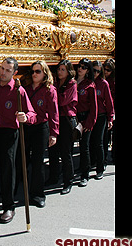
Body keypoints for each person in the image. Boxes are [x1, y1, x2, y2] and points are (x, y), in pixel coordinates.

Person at [0, 57, 36, 224]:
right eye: (2, 69)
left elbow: (32, 113)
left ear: (14, 72)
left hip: (9, 133)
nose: (3, 72)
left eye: (7, 70)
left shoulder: (18, 91)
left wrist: (25, 117)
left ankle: (8, 206)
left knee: (7, 169)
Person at [21, 60, 59, 207]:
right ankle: (21, 190)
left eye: (38, 71)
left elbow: (54, 112)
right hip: (26, 126)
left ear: (44, 73)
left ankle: (37, 194)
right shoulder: (26, 88)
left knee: (38, 162)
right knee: (22, 159)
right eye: (33, 71)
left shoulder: (50, 90)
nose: (34, 74)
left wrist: (54, 133)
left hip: (40, 127)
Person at [46, 60, 78, 194]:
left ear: (69, 71)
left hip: (66, 119)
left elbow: (63, 100)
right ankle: (53, 176)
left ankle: (68, 181)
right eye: (59, 69)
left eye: (63, 69)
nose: (60, 72)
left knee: (66, 152)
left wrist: (52, 94)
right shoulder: (56, 83)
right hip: (55, 117)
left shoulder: (72, 84)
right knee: (52, 150)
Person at [75, 59, 98, 187]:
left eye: (84, 67)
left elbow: (94, 107)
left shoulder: (90, 85)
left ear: (88, 70)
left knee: (84, 147)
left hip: (85, 118)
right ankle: (80, 168)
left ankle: (85, 174)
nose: (80, 69)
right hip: (74, 119)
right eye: (79, 66)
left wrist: (89, 124)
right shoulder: (72, 82)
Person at [91, 60, 114, 180]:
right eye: (93, 70)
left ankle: (100, 168)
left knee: (99, 142)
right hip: (90, 116)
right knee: (89, 142)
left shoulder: (103, 84)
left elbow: (109, 102)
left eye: (98, 71)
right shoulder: (87, 82)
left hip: (101, 116)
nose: (95, 73)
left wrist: (110, 117)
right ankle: (90, 163)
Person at [103, 58, 116, 165]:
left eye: (108, 70)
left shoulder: (112, 82)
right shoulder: (103, 81)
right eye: (105, 69)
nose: (106, 72)